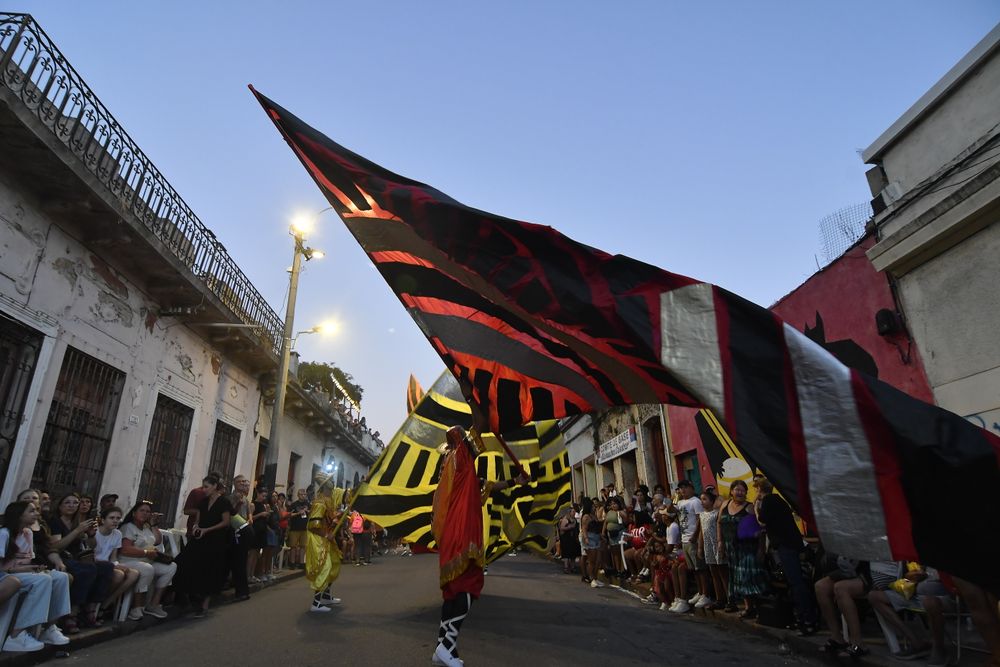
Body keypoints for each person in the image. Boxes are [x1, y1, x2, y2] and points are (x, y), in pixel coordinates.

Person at [430, 426, 528, 667]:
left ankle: (443, 648)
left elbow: (488, 485)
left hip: (454, 536)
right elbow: (463, 434)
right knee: (468, 587)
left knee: (453, 592)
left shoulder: (460, 474)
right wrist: (481, 410)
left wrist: (516, 481)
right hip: (462, 535)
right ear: (461, 446)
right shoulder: (459, 461)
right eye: (468, 443)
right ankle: (447, 645)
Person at [0, 501, 71, 650]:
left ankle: (49, 627)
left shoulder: (28, 533)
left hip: (21, 573)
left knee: (60, 577)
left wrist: (34, 568)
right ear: (19, 515)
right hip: (6, 575)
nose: (36, 514)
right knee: (42, 580)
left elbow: (25, 561)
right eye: (31, 511)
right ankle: (16, 634)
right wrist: (24, 570)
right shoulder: (4, 534)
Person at [753, 478, 817, 634]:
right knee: (795, 582)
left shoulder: (768, 501)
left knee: (796, 582)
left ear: (760, 489)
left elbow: (761, 521)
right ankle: (802, 617)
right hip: (791, 544)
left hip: (786, 546)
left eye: (756, 490)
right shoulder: (778, 500)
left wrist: (756, 507)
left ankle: (807, 619)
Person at [48, 492, 114, 631]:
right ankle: (72, 613)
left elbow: (92, 545)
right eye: (67, 502)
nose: (72, 506)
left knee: (106, 568)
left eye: (75, 503)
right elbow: (56, 546)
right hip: (60, 558)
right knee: (87, 570)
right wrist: (77, 531)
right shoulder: (55, 521)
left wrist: (90, 534)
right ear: (59, 506)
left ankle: (90, 608)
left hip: (78, 557)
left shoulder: (78, 521)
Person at [173, 474, 233, 617]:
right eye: (203, 486)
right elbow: (198, 520)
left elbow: (226, 522)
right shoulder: (203, 502)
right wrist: (196, 528)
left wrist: (208, 530)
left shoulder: (224, 502)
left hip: (215, 540)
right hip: (200, 539)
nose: (204, 489)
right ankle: (187, 597)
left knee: (210, 570)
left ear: (214, 486)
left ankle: (204, 605)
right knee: (183, 562)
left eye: (206, 486)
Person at [716, 479, 768, 618]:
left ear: (746, 492)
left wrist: (761, 550)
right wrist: (720, 541)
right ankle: (748, 607)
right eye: (736, 489)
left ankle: (756, 608)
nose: (739, 492)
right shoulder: (725, 504)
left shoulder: (750, 508)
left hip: (747, 549)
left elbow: (761, 530)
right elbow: (719, 523)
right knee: (736, 578)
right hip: (731, 548)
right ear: (731, 491)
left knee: (749, 578)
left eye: (742, 490)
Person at [118, 501, 176, 620]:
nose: (145, 513)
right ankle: (137, 607)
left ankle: (153, 604)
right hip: (128, 560)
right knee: (147, 569)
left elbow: (158, 541)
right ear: (134, 513)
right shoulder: (128, 527)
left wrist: (154, 525)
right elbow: (125, 549)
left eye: (148, 511)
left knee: (171, 567)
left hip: (147, 560)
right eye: (142, 510)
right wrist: (145, 552)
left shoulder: (146, 527)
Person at [90, 506, 139, 620]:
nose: (115, 521)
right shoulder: (95, 533)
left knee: (133, 574)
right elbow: (91, 556)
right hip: (96, 564)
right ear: (103, 520)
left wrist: (117, 565)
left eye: (118, 518)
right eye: (111, 518)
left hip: (108, 564)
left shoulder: (117, 534)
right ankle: (95, 604)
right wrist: (115, 566)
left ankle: (105, 604)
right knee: (119, 575)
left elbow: (113, 557)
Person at [305, 473, 345, 612]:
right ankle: (315, 604)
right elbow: (313, 525)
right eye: (330, 481)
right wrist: (326, 534)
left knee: (334, 563)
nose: (333, 483)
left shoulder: (330, 499)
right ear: (325, 485)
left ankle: (326, 596)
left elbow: (330, 518)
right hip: (319, 539)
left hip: (328, 538)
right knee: (324, 567)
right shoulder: (319, 503)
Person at [674, 479, 706, 612]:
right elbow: (671, 511)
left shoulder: (696, 501)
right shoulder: (680, 502)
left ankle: (705, 593)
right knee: (693, 568)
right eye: (681, 488)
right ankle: (699, 591)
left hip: (693, 539)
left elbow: (700, 519)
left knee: (700, 568)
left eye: (685, 487)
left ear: (691, 488)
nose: (683, 490)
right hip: (684, 538)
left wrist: (695, 535)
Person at [695, 488, 725, 610]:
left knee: (723, 572)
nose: (702, 502)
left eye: (705, 499)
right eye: (701, 499)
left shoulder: (718, 513)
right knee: (714, 574)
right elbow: (702, 532)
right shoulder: (702, 515)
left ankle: (729, 599)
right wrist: (700, 547)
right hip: (708, 547)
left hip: (717, 544)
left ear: (712, 501)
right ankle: (719, 599)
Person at [228, 475, 253, 601]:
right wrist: (237, 502)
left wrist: (250, 519)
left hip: (244, 530)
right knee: (238, 561)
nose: (243, 484)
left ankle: (242, 590)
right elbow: (230, 513)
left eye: (244, 481)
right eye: (240, 482)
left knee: (241, 560)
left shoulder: (245, 499)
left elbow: (248, 512)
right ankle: (238, 588)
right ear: (234, 484)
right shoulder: (231, 497)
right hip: (235, 531)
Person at [287, 489, 310, 569]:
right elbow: (289, 515)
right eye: (302, 494)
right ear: (298, 495)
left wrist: (308, 511)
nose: (303, 496)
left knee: (303, 546)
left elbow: (311, 512)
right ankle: (292, 562)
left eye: (304, 494)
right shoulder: (294, 504)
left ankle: (301, 562)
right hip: (295, 527)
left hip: (304, 528)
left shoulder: (307, 504)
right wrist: (298, 513)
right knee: (293, 546)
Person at [557, 508, 580, 574]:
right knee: (567, 554)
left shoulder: (574, 520)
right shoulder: (566, 519)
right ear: (569, 512)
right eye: (573, 511)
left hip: (573, 538)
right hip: (566, 539)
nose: (574, 513)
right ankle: (566, 567)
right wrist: (569, 527)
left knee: (573, 554)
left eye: (574, 512)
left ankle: (573, 567)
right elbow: (561, 528)